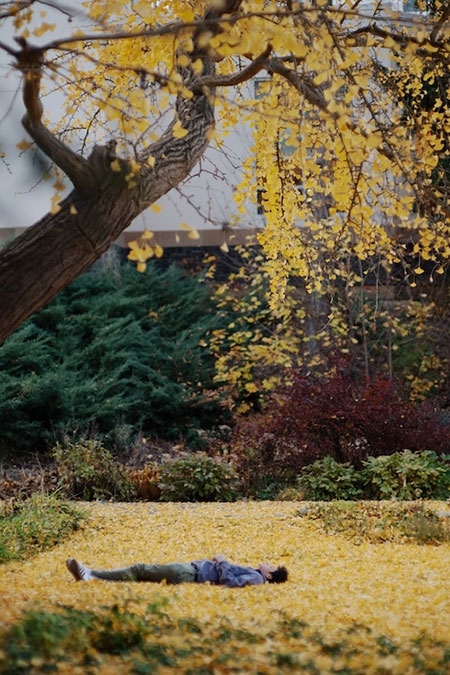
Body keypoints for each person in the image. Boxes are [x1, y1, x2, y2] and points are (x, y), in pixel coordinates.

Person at [66, 553, 288, 587]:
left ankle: (91, 573)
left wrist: (221, 560)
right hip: (189, 571)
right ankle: (93, 576)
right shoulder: (254, 573)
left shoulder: (257, 579)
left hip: (189, 573)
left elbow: (229, 582)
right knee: (139, 576)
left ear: (269, 574)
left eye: (272, 566)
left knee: (140, 569)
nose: (268, 563)